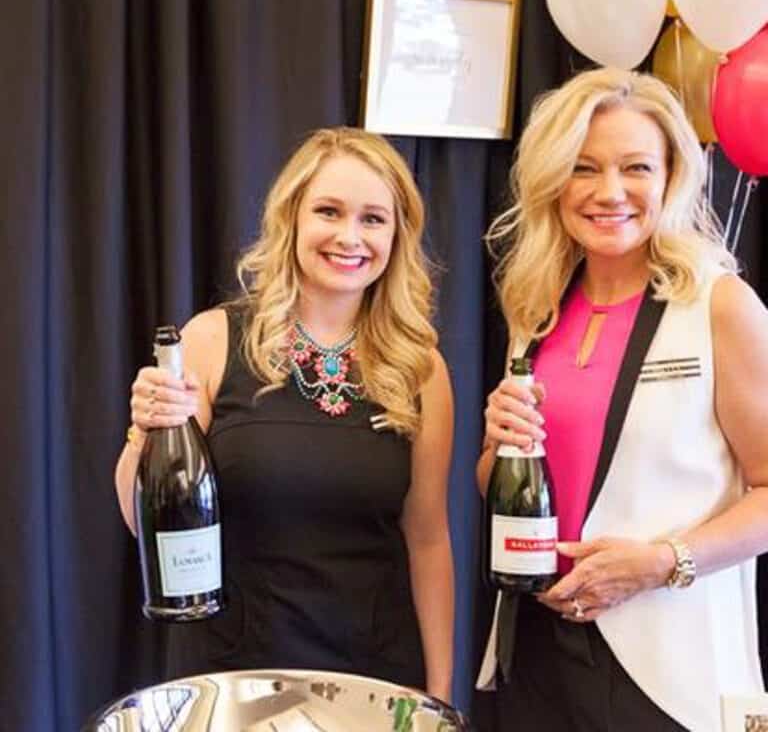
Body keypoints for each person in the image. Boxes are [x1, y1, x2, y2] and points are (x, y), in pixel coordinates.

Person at [115, 127, 455, 701]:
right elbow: (143, 521)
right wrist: (142, 433)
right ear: (291, 218)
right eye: (329, 211)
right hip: (229, 679)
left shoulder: (420, 368)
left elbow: (427, 539)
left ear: (398, 235)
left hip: (372, 682)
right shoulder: (212, 339)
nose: (350, 236)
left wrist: (439, 694)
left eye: (373, 218)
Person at [475, 67, 768, 731]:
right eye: (584, 168)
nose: (610, 192)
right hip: (540, 653)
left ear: (670, 177)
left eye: (636, 167)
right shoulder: (536, 307)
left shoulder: (720, 305)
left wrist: (663, 563)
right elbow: (499, 489)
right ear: (555, 183)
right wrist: (497, 446)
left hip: (669, 666)